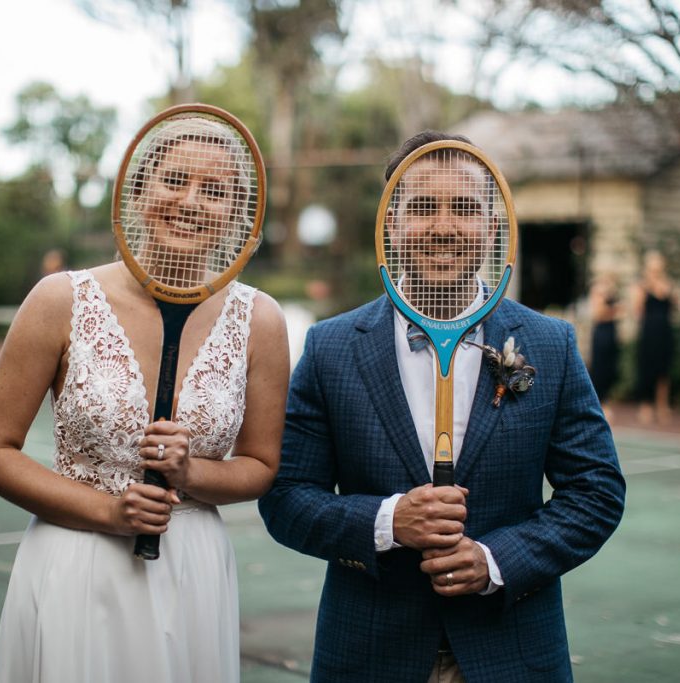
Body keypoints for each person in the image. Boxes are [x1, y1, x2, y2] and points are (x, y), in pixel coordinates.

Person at [258, 131, 625, 683]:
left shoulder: (550, 343)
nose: (444, 227)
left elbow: (596, 493)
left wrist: (495, 561)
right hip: (367, 656)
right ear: (391, 223)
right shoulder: (331, 347)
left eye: (465, 209)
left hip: (514, 655)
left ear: (493, 226)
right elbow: (286, 499)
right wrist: (388, 522)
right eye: (423, 207)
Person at [0, 116, 289, 683]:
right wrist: (109, 513)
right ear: (138, 192)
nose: (190, 201)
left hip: (192, 568)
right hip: (77, 559)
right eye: (174, 180)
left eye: (215, 192)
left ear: (238, 216)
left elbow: (261, 467)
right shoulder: (59, 299)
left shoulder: (260, 320)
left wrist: (192, 472)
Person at [631, 249, 676, 425]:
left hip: (665, 331)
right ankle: (645, 406)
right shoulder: (641, 286)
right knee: (647, 369)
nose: (656, 270)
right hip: (649, 331)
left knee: (664, 370)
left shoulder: (668, 284)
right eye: (653, 267)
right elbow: (637, 311)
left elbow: (672, 306)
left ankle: (662, 405)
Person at [588, 269, 622, 422]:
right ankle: (598, 403)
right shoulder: (597, 291)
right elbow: (598, 313)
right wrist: (614, 311)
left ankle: (606, 402)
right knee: (599, 368)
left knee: (610, 368)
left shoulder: (611, 293)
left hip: (611, 332)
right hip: (601, 333)